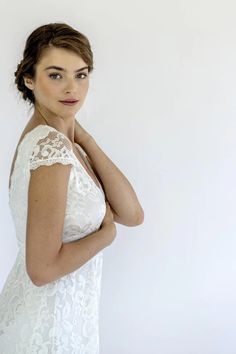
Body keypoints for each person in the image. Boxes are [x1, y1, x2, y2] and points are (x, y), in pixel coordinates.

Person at [0, 22, 144, 353]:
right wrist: (106, 235)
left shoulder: (64, 144)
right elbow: (42, 269)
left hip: (64, 324)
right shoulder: (49, 148)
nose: (71, 88)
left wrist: (84, 139)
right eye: (55, 75)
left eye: (81, 74)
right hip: (45, 331)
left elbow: (133, 214)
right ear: (29, 79)